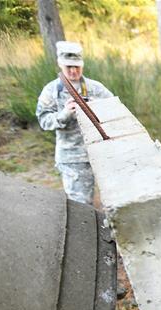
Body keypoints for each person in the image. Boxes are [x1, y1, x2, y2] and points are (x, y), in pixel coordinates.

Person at [36, 41, 113, 205]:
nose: (73, 70)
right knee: (81, 205)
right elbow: (43, 120)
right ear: (60, 64)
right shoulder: (51, 90)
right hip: (73, 158)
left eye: (77, 66)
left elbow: (115, 110)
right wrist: (64, 114)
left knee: (115, 201)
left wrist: (97, 108)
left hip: (103, 152)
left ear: (82, 64)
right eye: (68, 66)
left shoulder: (96, 88)